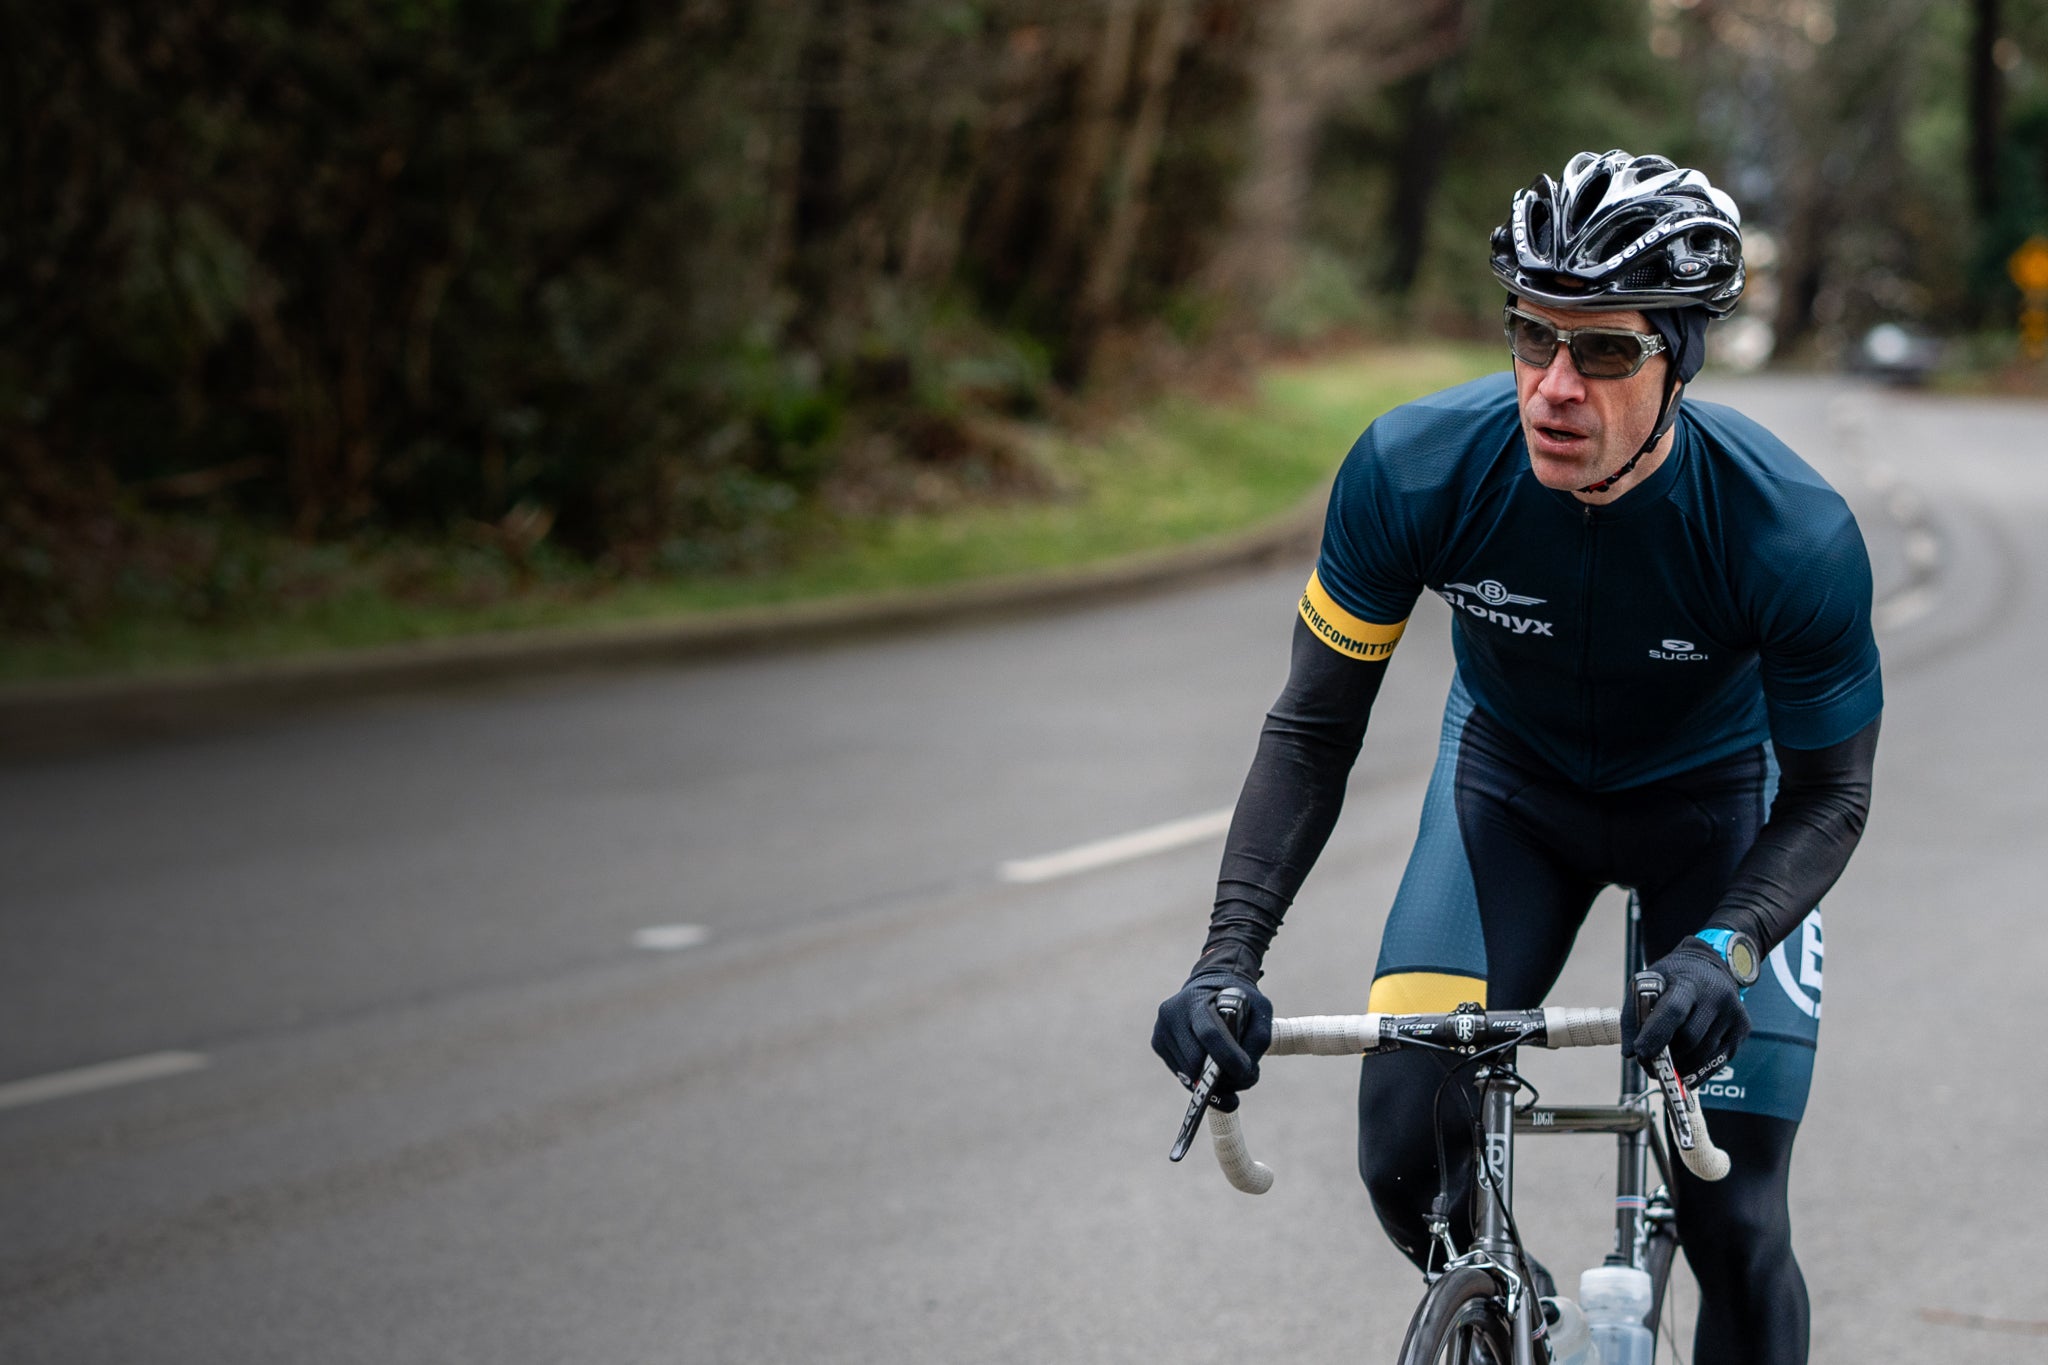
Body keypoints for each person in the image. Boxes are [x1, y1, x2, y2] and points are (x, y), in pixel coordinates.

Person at [1152, 150, 1880, 1365]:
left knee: (1732, 1213)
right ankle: (1508, 1310)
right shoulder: (1414, 469)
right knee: (1398, 1150)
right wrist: (1226, 954)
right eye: (1530, 338)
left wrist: (1725, 946)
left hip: (1722, 820)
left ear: (1681, 359)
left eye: (1602, 351)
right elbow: (1311, 729)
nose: (1552, 387)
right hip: (1508, 796)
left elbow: (1828, 795)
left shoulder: (1786, 533)